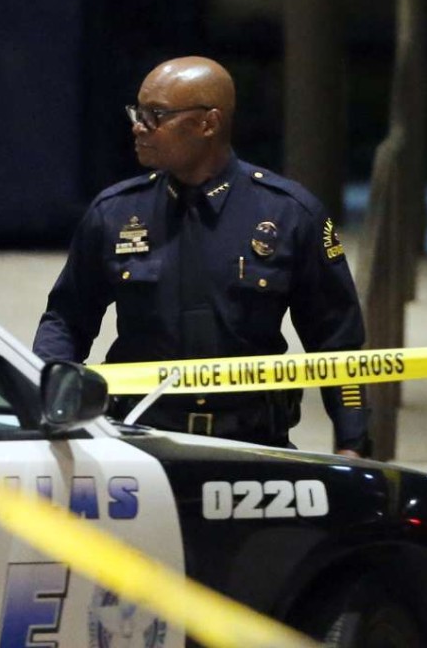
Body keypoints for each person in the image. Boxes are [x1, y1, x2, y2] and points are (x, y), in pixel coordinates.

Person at [32, 56, 370, 458]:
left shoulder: (288, 213)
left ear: (208, 123)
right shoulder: (116, 213)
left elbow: (337, 341)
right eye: (137, 112)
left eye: (156, 114)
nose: (138, 126)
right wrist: (44, 404)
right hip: (140, 443)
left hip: (253, 445)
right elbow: (66, 320)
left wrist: (353, 441)